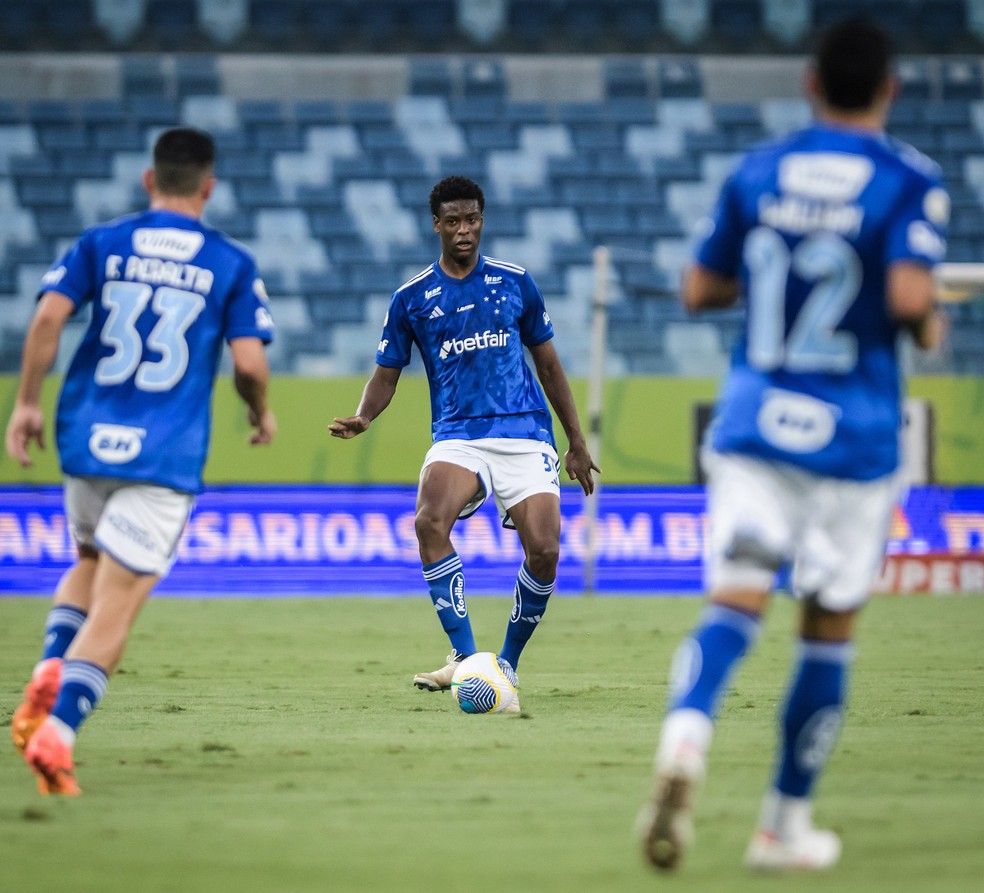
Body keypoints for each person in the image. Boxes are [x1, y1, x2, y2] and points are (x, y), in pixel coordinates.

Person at [637, 17, 948, 872]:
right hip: (853, 437)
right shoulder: (908, 180)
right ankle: (781, 824)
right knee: (827, 628)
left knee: (734, 605)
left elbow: (698, 287)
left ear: (810, 84)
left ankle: (686, 740)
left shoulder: (758, 170)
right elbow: (909, 296)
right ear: (890, 87)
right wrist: (928, 316)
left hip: (754, 425)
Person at [6, 127, 277, 795]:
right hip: (164, 450)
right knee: (117, 606)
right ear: (208, 188)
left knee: (89, 562)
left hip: (86, 438)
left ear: (148, 181)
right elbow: (248, 361)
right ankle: (59, 731)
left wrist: (26, 404)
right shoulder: (231, 263)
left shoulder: (101, 242)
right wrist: (257, 408)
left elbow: (46, 320)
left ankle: (48, 666)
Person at [330, 175, 599, 712]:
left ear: (482, 220)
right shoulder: (411, 298)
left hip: (524, 431)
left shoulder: (515, 282)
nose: (463, 231)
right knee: (430, 520)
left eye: (471, 219)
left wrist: (575, 441)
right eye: (452, 221)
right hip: (459, 435)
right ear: (436, 225)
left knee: (544, 551)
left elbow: (548, 364)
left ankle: (505, 666)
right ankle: (465, 656)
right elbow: (387, 374)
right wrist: (364, 416)